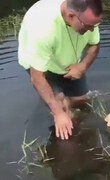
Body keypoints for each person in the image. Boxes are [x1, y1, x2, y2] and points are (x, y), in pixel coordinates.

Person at [18, 0, 103, 140]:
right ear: (70, 16)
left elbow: (94, 45)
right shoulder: (43, 30)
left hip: (68, 57)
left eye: (95, 25)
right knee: (61, 107)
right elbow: (37, 77)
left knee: (80, 101)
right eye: (88, 26)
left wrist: (82, 66)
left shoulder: (87, 19)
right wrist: (58, 113)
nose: (92, 30)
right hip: (40, 64)